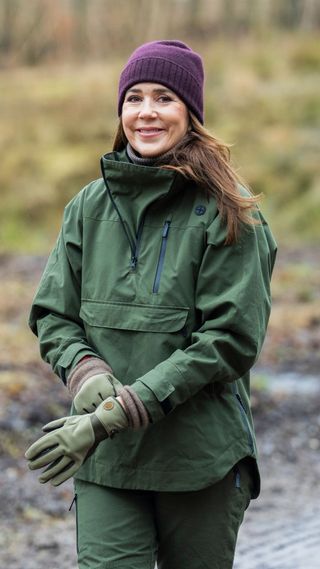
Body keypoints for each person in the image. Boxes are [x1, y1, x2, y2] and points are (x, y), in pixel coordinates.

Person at [25, 40, 277, 569]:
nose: (146, 112)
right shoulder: (88, 207)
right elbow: (54, 314)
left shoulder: (231, 214)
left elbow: (228, 342)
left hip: (200, 460)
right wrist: (85, 371)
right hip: (106, 460)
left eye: (164, 98)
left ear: (191, 113)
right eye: (133, 97)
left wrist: (111, 415)